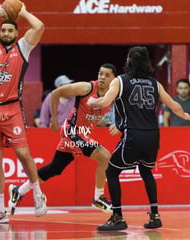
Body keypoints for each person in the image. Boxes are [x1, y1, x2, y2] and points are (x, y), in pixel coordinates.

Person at [87, 46, 190, 231]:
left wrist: (91, 102)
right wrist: (184, 115)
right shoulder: (154, 83)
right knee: (146, 172)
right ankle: (155, 215)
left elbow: (104, 102)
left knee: (111, 172)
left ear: (129, 61)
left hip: (133, 135)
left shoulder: (120, 81)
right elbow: (173, 105)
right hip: (153, 135)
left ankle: (117, 217)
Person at [8, 64, 117, 215]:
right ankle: (98, 198)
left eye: (106, 75)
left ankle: (18, 190)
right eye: (100, 74)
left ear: (114, 79)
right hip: (72, 131)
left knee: (55, 168)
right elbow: (56, 93)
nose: (102, 77)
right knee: (106, 157)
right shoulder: (87, 88)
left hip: (82, 133)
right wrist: (53, 120)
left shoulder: (112, 94)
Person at [0, 0, 47, 224]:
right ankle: (0, 212)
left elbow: (39, 27)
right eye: (3, 30)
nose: (6, 33)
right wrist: (3, 11)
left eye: (10, 30)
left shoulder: (23, 47)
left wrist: (23, 12)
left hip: (11, 109)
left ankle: (37, 194)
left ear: (16, 33)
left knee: (23, 154)